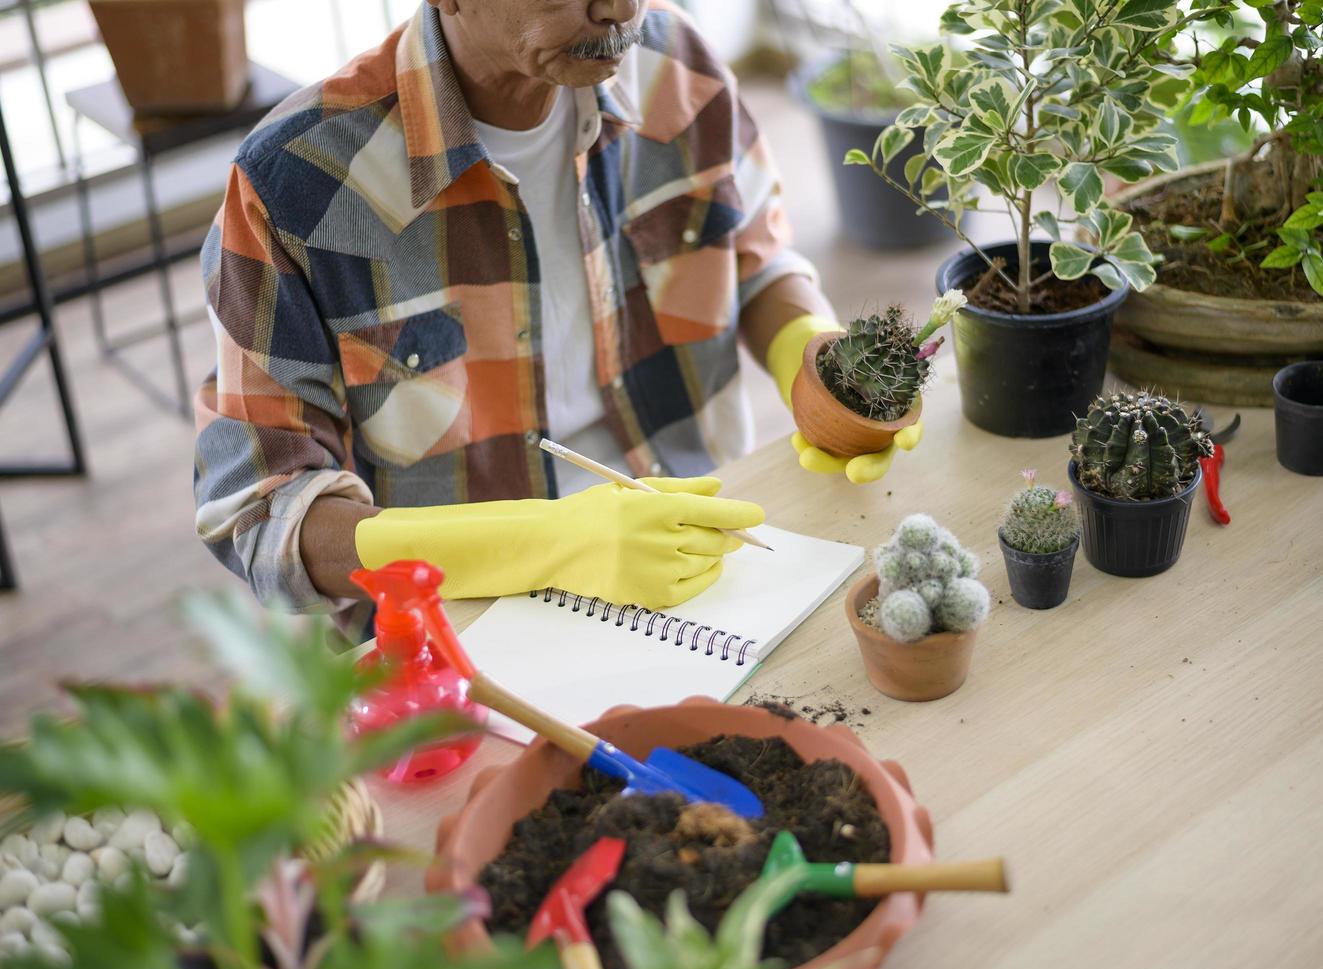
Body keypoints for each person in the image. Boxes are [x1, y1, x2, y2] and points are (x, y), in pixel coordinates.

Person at [193, 0, 924, 634]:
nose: (619, 10)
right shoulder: (295, 182)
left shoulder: (674, 62)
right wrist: (547, 542)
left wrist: (819, 363)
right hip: (462, 624)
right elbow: (266, 519)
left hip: (704, 550)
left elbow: (755, 258)